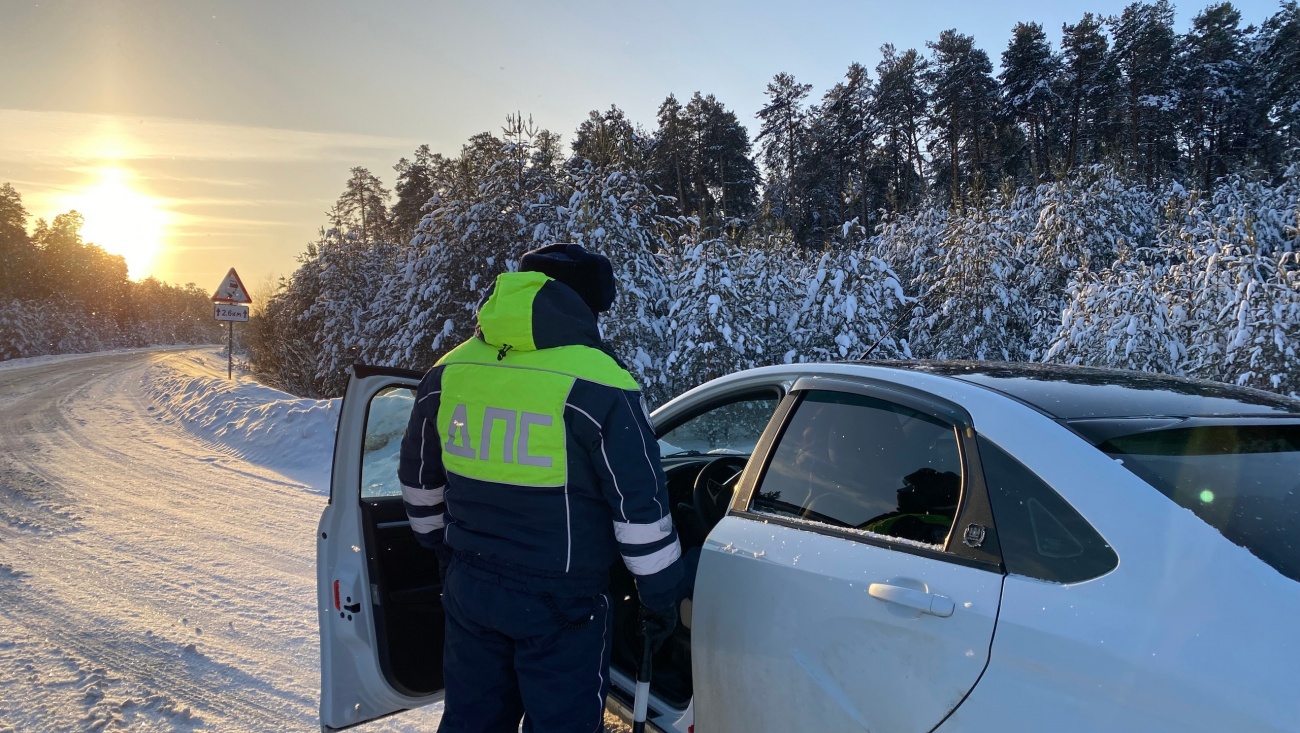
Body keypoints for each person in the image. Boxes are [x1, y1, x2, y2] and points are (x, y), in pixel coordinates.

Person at [397, 243, 682, 733]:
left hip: (471, 585)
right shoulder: (600, 381)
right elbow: (639, 507)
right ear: (586, 305)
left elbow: (419, 484)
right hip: (562, 602)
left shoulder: (449, 370)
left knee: (470, 721)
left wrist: (443, 552)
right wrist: (659, 595)